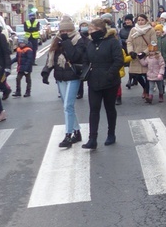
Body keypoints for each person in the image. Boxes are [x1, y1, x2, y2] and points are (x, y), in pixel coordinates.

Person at [43, 17, 86, 148]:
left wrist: (67, 42)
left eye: (67, 29)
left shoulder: (79, 40)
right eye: (62, 30)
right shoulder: (56, 40)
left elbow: (75, 57)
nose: (65, 32)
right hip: (60, 76)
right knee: (68, 107)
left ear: (72, 29)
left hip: (73, 76)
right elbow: (51, 57)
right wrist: (46, 71)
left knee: (68, 106)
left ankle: (68, 135)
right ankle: (77, 131)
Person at [82, 18, 123, 149]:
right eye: (89, 30)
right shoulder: (90, 44)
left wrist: (109, 74)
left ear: (100, 30)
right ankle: (92, 139)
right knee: (94, 110)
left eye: (92, 30)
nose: (89, 32)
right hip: (94, 81)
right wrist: (85, 72)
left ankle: (111, 134)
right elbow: (85, 60)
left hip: (110, 81)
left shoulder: (112, 42)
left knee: (110, 108)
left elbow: (118, 60)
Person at [127, 14, 155, 103]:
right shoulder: (133, 30)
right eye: (138, 20)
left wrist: (144, 52)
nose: (140, 22)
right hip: (135, 56)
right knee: (135, 74)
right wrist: (131, 52)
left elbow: (153, 43)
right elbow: (129, 42)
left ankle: (147, 92)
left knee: (148, 75)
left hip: (147, 56)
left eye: (142, 20)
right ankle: (145, 89)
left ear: (146, 20)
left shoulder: (151, 30)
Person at [76, 21, 91, 100]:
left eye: (86, 25)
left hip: (90, 58)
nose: (84, 27)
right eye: (83, 25)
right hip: (81, 58)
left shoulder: (91, 34)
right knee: (80, 76)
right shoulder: (78, 36)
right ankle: (79, 92)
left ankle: (91, 91)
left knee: (90, 76)